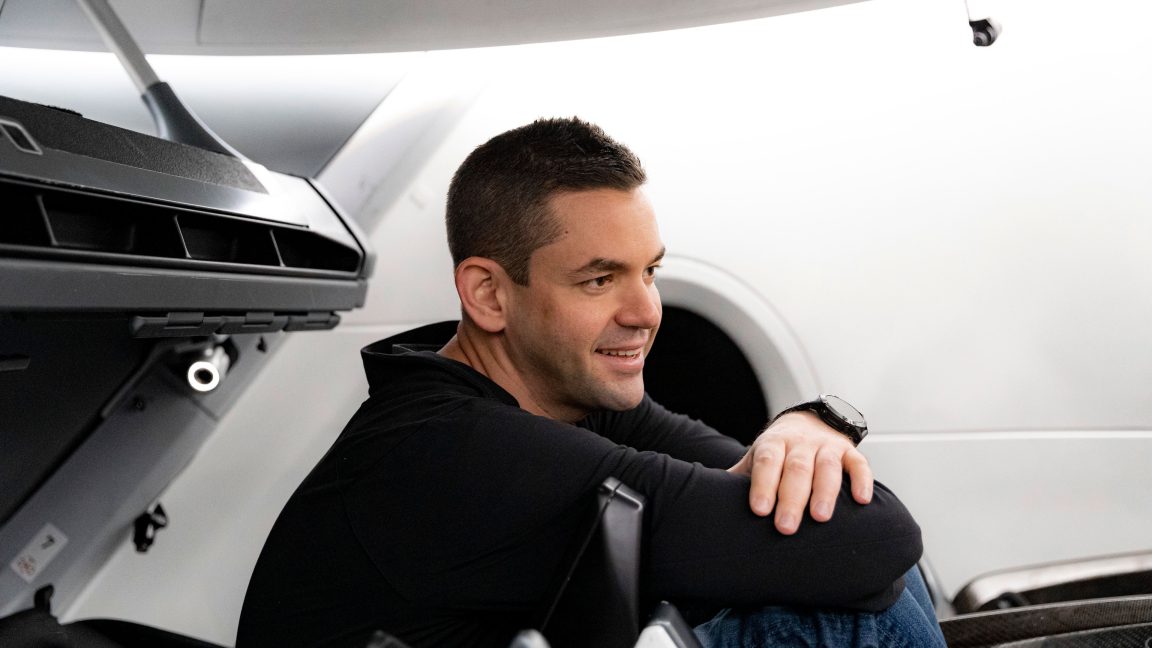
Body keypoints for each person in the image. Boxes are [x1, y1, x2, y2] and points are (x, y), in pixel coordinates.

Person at [237, 118, 945, 647]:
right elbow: (871, 539)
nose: (644, 313)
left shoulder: (567, 398)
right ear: (488, 295)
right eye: (599, 279)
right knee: (836, 621)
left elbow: (794, 498)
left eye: (650, 272)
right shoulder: (448, 450)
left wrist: (801, 423)